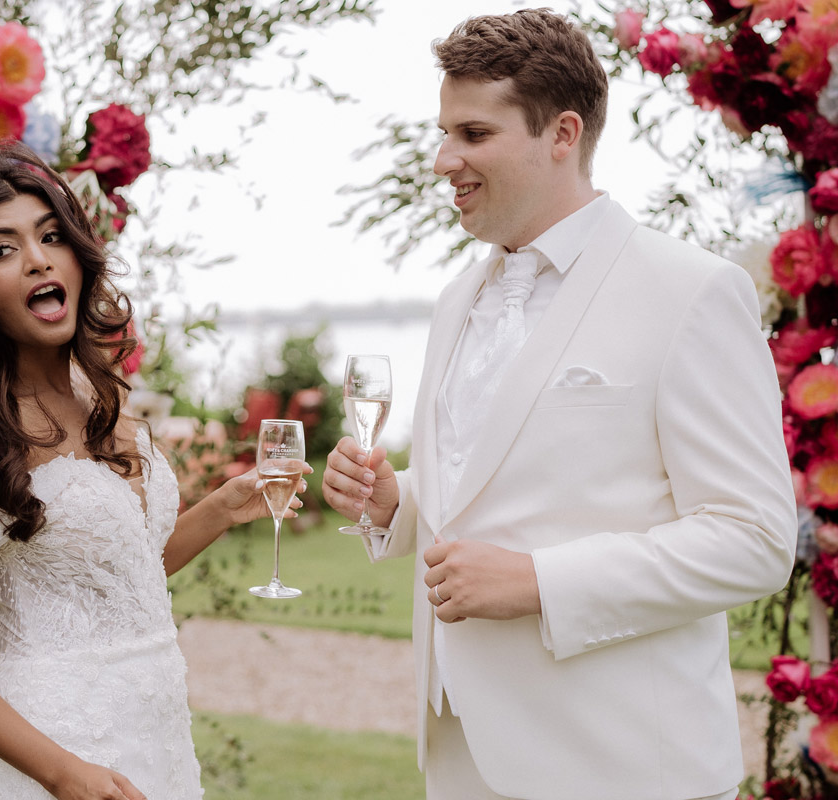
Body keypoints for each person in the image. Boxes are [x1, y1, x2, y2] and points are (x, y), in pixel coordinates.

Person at [321, 10, 796, 800]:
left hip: (621, 765)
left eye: (472, 134)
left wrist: (543, 581)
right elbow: (491, 479)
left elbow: (753, 539)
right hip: (460, 755)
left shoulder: (691, 291)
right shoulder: (456, 299)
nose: (443, 161)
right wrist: (397, 500)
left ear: (562, 133)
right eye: (443, 133)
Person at [0, 143, 304, 800]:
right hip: (56, 755)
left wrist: (223, 508)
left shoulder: (98, 392)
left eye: (51, 236)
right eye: (1, 250)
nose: (37, 258)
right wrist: (64, 774)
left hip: (156, 737)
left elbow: (115, 582)